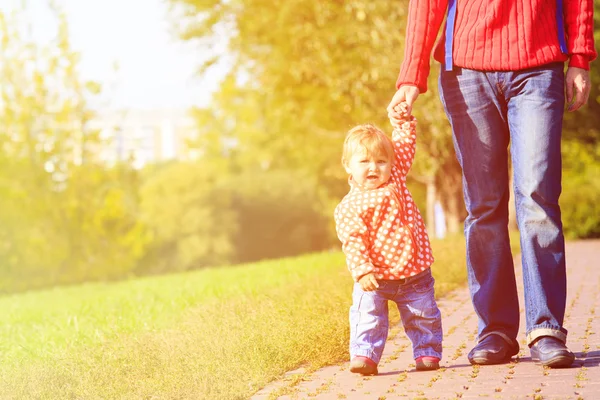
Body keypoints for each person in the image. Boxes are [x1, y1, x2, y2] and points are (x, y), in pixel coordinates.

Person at [387, 0, 596, 368]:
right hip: (466, 71)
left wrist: (579, 57)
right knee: (484, 206)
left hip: (538, 64)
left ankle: (545, 328)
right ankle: (496, 330)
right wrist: (411, 74)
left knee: (537, 198)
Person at [334, 103, 443, 376]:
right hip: (375, 278)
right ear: (348, 165)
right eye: (364, 162)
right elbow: (353, 240)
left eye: (381, 162)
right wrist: (362, 270)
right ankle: (365, 355)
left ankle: (427, 351)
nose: (374, 168)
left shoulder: (395, 179)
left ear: (392, 164)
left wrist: (401, 120)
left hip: (414, 273)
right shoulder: (349, 206)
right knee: (367, 317)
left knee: (423, 315)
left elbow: (404, 144)